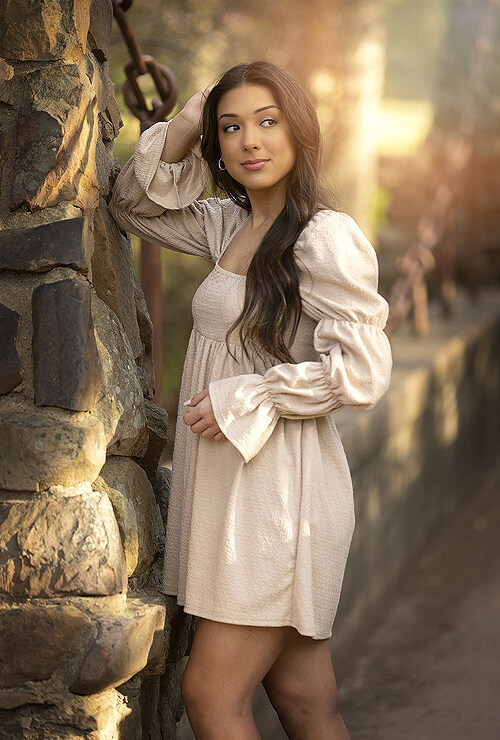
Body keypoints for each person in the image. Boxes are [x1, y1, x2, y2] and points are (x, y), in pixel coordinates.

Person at [109, 60, 393, 740]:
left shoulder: (322, 236)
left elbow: (363, 369)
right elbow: (131, 205)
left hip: (279, 498)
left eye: (267, 121)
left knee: (209, 696)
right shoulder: (226, 224)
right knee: (304, 703)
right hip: (239, 490)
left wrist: (255, 392)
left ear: (298, 131)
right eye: (231, 127)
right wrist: (183, 123)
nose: (249, 140)